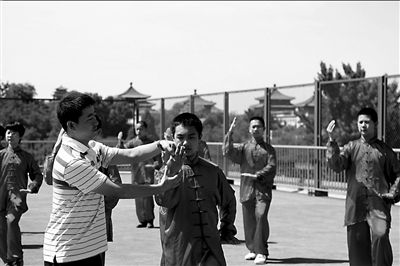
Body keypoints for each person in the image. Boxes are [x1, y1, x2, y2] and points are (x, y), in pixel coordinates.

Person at [43, 91, 183, 266]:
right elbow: (118, 190)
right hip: (69, 253)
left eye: (95, 115)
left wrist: (160, 144)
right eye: (89, 118)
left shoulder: (92, 147)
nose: (96, 121)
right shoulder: (72, 161)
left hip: (90, 247)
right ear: (71, 125)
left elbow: (131, 154)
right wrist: (161, 187)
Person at [155, 112, 239, 266]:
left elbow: (228, 200)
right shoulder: (165, 172)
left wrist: (227, 228)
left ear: (200, 138)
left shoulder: (213, 171)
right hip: (179, 250)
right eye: (180, 137)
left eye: (191, 137)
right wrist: (172, 170)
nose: (186, 143)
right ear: (172, 139)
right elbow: (162, 200)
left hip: (211, 249)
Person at [326, 107, 400, 266]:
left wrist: (393, 193)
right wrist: (332, 141)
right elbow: (336, 165)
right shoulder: (351, 147)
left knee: (380, 238)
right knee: (357, 247)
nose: (363, 126)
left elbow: (398, 175)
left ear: (375, 124)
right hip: (355, 206)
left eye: (367, 122)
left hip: (378, 206)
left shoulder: (385, 151)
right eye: (360, 122)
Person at [222, 116, 276, 265]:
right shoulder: (244, 148)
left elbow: (272, 166)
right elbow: (228, 151)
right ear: (249, 129)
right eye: (253, 127)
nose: (256, 129)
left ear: (264, 129)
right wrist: (230, 133)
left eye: (259, 126)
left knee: (261, 215)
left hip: (263, 190)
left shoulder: (269, 150)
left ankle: (262, 251)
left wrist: (259, 175)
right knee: (249, 220)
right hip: (246, 189)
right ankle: (252, 248)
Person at [0, 122, 43, 266]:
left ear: (20, 137)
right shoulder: (1, 155)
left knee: (11, 221)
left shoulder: (26, 157)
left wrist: (32, 187)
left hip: (17, 197)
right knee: (1, 228)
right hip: (1, 196)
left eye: (13, 133)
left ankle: (16, 257)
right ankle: (8, 261)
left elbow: (37, 174)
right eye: (8, 132)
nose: (10, 135)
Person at [124, 121, 162, 228]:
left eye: (140, 129)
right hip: (136, 175)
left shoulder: (152, 143)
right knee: (138, 199)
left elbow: (158, 160)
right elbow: (122, 150)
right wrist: (119, 140)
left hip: (148, 175)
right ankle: (142, 220)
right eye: (137, 129)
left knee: (148, 199)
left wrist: (153, 166)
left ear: (146, 129)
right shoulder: (132, 143)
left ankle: (150, 220)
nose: (138, 131)